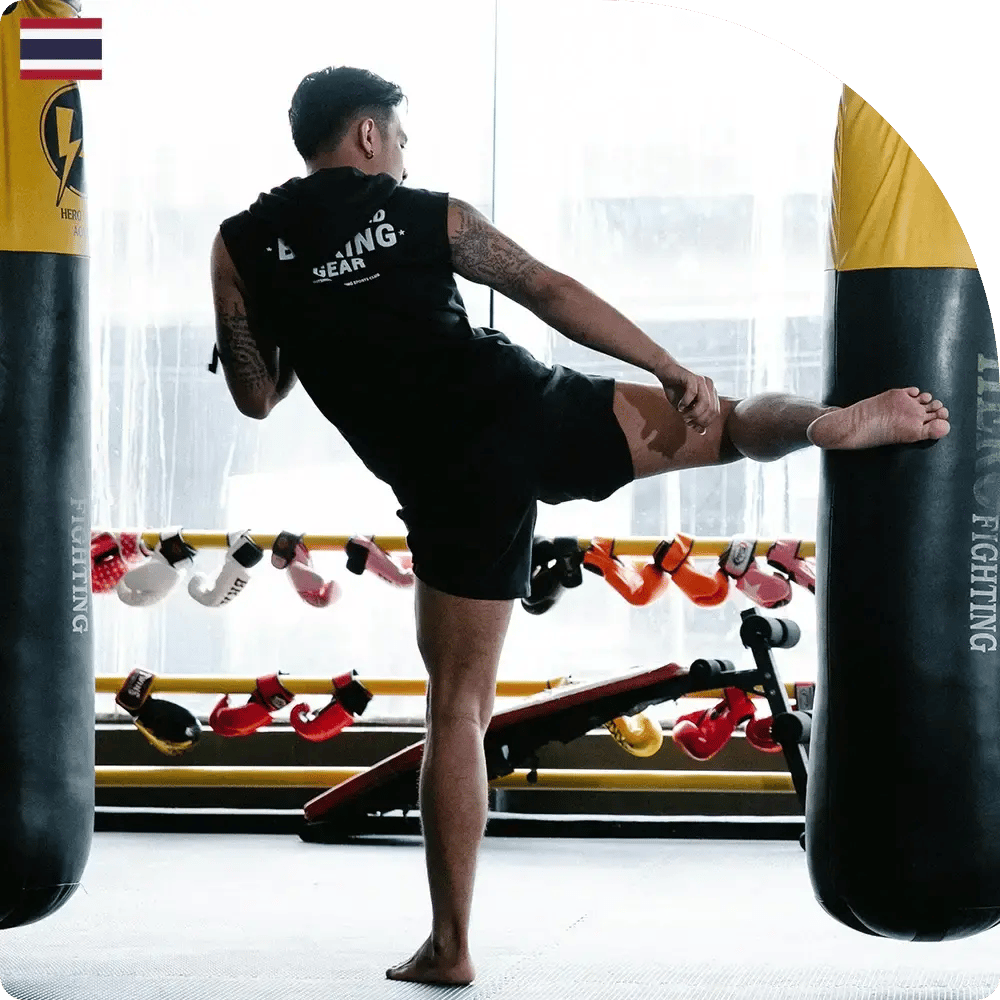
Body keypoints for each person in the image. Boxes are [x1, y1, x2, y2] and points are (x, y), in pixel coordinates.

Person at [209, 66, 950, 986]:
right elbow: (548, 290)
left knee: (458, 709)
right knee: (727, 426)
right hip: (522, 407)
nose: (402, 154)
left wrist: (295, 315)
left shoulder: (240, 244)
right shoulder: (423, 214)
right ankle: (820, 424)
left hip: (445, 480)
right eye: (399, 136)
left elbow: (256, 395)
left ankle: (450, 946)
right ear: (366, 135)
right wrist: (668, 365)